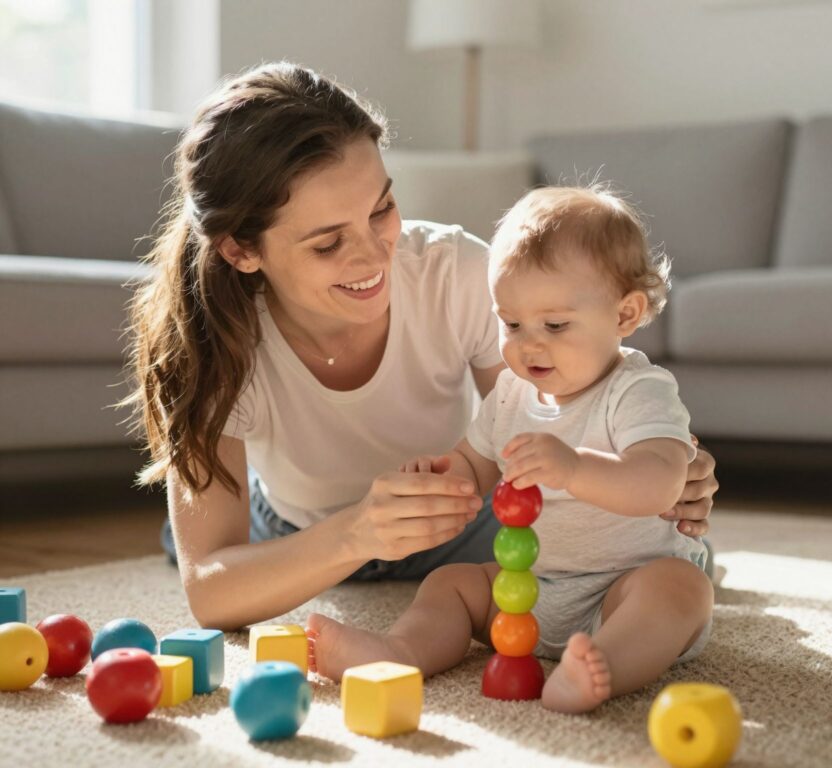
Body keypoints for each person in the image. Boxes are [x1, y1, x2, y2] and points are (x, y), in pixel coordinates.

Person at [124, 62, 719, 632]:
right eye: (328, 243)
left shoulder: (455, 272)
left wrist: (655, 463)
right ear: (241, 251)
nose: (374, 255)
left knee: (632, 564)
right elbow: (210, 594)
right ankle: (193, 515)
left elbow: (559, 409)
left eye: (381, 208)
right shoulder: (212, 339)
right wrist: (359, 532)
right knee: (200, 545)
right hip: (292, 526)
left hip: (465, 521)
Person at [305, 185, 712, 714]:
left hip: (624, 588)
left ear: (625, 314)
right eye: (511, 323)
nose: (528, 343)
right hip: (530, 589)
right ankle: (399, 651)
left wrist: (574, 467)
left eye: (555, 325)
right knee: (450, 583)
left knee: (680, 589)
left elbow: (658, 481)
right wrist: (445, 473)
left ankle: (601, 669)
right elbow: (478, 460)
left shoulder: (638, 390)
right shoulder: (512, 393)